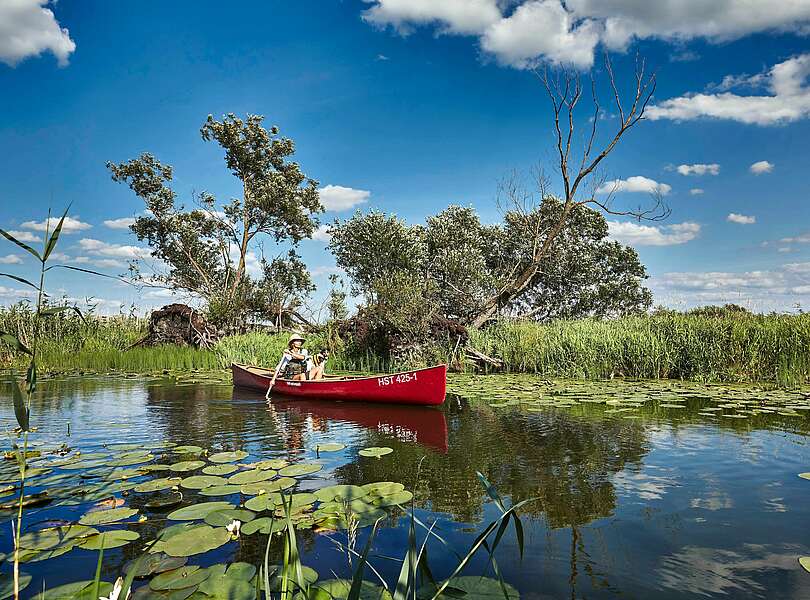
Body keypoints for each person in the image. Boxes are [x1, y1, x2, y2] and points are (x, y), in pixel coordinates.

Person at [266, 333, 327, 399]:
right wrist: (273, 380)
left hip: (303, 375)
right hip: (292, 377)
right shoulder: (286, 355)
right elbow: (278, 368)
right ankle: (308, 391)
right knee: (302, 376)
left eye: (300, 341)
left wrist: (291, 353)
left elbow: (302, 357)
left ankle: (315, 389)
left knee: (319, 368)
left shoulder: (303, 351)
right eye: (297, 341)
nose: (299, 342)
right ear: (292, 343)